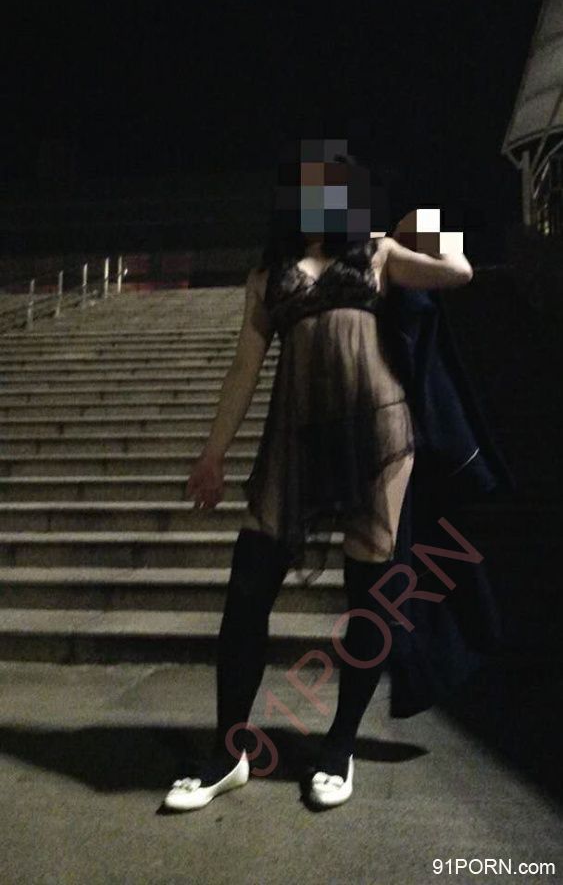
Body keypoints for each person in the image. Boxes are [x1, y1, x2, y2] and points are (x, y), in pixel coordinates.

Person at [163, 146, 476, 812]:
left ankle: (339, 746)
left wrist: (425, 217)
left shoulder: (377, 252)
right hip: (294, 442)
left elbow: (459, 270)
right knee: (248, 588)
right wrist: (212, 455)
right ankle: (228, 752)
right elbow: (243, 370)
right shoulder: (265, 277)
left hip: (380, 437)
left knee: (368, 595)